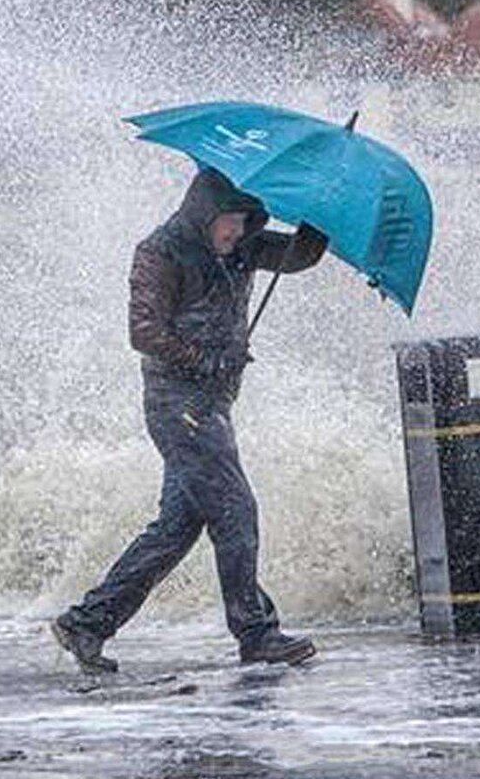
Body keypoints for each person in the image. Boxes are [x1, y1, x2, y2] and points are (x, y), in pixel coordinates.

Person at [51, 167, 328, 673]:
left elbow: (298, 256)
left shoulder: (242, 245)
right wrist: (205, 360)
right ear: (205, 213)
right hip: (177, 405)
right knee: (235, 509)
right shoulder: (160, 252)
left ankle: (87, 624)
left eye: (247, 222)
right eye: (230, 221)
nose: (237, 233)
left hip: (213, 406)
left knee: (177, 528)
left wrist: (319, 215)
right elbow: (144, 332)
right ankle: (256, 632)